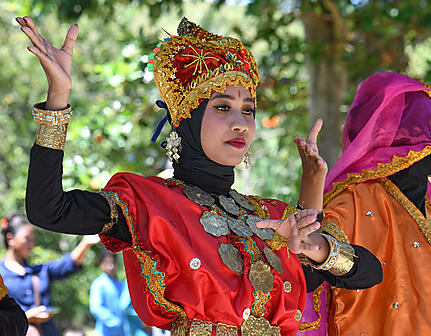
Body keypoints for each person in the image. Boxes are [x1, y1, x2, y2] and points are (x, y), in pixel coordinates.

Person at [18, 15, 382, 335]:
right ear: (186, 122)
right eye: (223, 107)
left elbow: (369, 272)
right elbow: (49, 209)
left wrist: (312, 246)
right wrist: (57, 100)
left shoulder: (267, 218)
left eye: (249, 110)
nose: (241, 123)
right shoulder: (146, 203)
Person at [305, 72, 431, 335]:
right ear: (422, 143)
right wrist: (311, 186)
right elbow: (312, 265)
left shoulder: (426, 205)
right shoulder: (353, 200)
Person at [0, 213, 99, 336]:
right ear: (10, 238)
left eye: (33, 240)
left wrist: (85, 243)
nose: (31, 245)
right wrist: (26, 317)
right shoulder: (1, 275)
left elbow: (65, 265)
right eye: (27, 238)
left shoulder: (39, 271)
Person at [90, 252, 124, 336]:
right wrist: (114, 321)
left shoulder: (120, 284)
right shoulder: (98, 284)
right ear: (101, 265)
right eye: (107, 263)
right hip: (105, 332)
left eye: (113, 263)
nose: (110, 266)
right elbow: (96, 308)